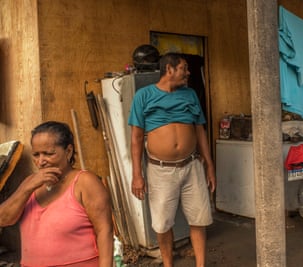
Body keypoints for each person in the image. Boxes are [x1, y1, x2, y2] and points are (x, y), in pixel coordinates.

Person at [128, 52, 216, 267]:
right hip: (160, 170)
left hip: (192, 165)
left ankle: (201, 265)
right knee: (162, 223)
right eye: (184, 68)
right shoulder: (144, 95)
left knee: (199, 219)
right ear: (169, 69)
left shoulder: (190, 94)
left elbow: (200, 131)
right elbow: (137, 138)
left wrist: (209, 166)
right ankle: (168, 265)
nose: (188, 73)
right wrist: (137, 175)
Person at [0, 121, 113, 266]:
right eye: (36, 154)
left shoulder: (84, 182)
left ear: (68, 151)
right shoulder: (30, 184)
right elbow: (3, 219)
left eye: (49, 154)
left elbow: (105, 231)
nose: (41, 161)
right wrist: (27, 188)